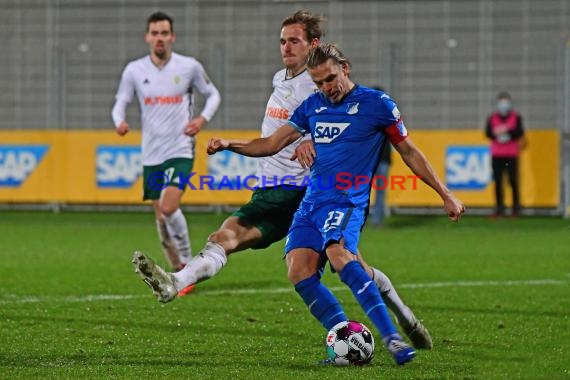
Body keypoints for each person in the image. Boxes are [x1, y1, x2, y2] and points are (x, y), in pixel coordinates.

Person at [132, 11, 432, 351]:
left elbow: (345, 127)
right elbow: (276, 139)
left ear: (313, 45)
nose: (286, 47)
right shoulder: (284, 79)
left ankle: (393, 324)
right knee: (249, 246)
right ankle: (395, 320)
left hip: (302, 192)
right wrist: (232, 143)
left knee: (244, 240)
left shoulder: (318, 86)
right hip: (275, 189)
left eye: (295, 41)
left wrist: (312, 141)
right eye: (282, 41)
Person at [205, 43, 465, 365]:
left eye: (330, 79)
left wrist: (445, 193)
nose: (327, 88)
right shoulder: (312, 106)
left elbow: (409, 152)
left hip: (347, 201)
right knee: (298, 271)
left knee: (338, 254)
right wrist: (231, 144)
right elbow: (271, 143)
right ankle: (349, 340)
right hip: (311, 202)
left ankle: (392, 338)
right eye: (319, 83)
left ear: (346, 68)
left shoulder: (377, 104)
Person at [112, 12, 221, 272]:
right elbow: (120, 103)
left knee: (169, 206)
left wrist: (201, 119)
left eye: (164, 33)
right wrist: (120, 122)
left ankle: (188, 264)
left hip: (180, 149)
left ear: (172, 36)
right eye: (155, 33)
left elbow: (213, 94)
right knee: (161, 218)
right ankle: (177, 269)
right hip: (151, 154)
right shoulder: (134, 70)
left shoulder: (189, 66)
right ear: (147, 37)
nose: (159, 38)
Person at [485, 92, 525, 217]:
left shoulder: (516, 117)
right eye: (501, 102)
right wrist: (496, 133)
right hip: (497, 155)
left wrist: (507, 131)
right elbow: (488, 133)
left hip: (511, 154)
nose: (504, 105)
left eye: (506, 101)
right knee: (498, 182)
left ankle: (516, 208)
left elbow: (519, 132)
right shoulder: (492, 118)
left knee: (513, 181)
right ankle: (499, 208)